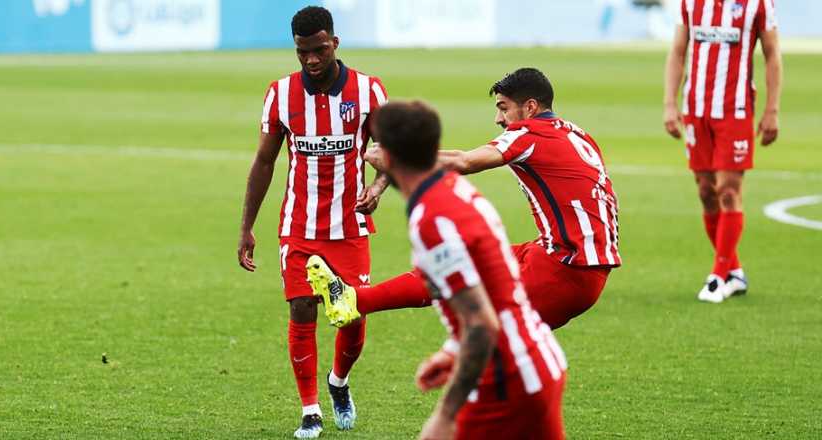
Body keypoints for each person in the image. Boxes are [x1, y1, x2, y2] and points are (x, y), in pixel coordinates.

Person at [310, 100, 566, 439]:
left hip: (506, 377)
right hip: (538, 361)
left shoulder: (434, 219)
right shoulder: (454, 190)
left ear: (388, 159)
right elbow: (485, 289)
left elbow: (482, 325)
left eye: (376, 147)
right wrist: (452, 350)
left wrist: (446, 415)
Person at [313, 68, 620, 332]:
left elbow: (464, 161)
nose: (498, 119)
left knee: (486, 340)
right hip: (560, 254)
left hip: (569, 269)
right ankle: (353, 299)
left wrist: (398, 159)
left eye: (503, 108)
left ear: (530, 107)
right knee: (451, 264)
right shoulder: (574, 132)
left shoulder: (529, 133)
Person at [236, 6, 389, 439]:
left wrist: (378, 187)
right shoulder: (280, 94)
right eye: (303, 52)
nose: (312, 60)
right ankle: (310, 410)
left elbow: (390, 151)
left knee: (351, 315)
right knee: (301, 306)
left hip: (349, 225)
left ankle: (338, 381)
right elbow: (264, 162)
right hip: (298, 225)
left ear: (335, 43)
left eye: (320, 49)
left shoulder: (368, 90)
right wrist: (247, 226)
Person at [663, 0, 782, 303]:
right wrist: (670, 104)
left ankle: (717, 277)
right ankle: (735, 272)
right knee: (706, 191)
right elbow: (678, 51)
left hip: (735, 111)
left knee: (728, 191)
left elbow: (772, 55)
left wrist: (772, 110)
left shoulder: (758, 4)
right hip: (696, 110)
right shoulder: (691, 2)